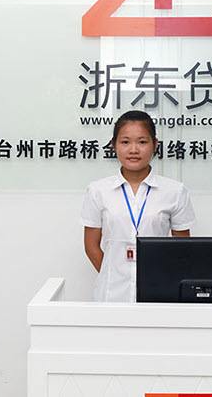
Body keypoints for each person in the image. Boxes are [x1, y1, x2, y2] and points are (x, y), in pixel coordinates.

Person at [81, 110, 196, 302]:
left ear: (155, 144)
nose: (133, 150)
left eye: (142, 142)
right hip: (111, 294)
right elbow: (91, 246)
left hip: (159, 291)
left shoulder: (175, 191)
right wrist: (112, 273)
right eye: (125, 142)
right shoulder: (98, 190)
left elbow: (183, 249)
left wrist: (159, 278)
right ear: (114, 145)